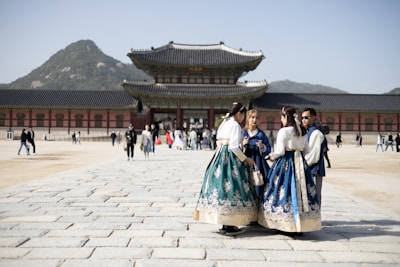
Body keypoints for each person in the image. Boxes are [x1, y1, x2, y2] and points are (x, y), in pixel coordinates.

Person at [194, 102, 257, 236]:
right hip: (230, 158)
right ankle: (230, 223)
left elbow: (218, 141)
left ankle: (226, 222)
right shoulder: (234, 125)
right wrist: (246, 159)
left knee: (223, 189)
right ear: (239, 113)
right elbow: (234, 147)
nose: (243, 118)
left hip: (220, 156)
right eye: (244, 115)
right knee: (234, 187)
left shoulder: (224, 123)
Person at [259, 106, 321, 234]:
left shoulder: (284, 131)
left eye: (282, 117)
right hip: (300, 164)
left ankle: (285, 224)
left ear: (286, 117)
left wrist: (270, 156)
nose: (281, 120)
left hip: (286, 163)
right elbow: (307, 150)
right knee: (301, 192)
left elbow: (280, 151)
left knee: (283, 190)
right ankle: (301, 225)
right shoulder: (303, 131)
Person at [243, 109, 271, 199]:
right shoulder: (243, 133)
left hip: (259, 164)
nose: (255, 120)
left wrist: (262, 147)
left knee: (258, 186)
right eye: (252, 117)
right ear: (248, 118)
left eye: (257, 118)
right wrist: (243, 144)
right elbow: (236, 150)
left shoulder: (261, 135)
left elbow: (269, 149)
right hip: (245, 163)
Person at [302, 107, 326, 206]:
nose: (303, 120)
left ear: (314, 118)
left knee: (314, 195)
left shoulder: (316, 133)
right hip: (307, 168)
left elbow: (314, 156)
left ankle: (315, 219)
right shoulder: (306, 133)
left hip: (314, 170)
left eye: (306, 117)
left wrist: (302, 164)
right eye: (302, 117)